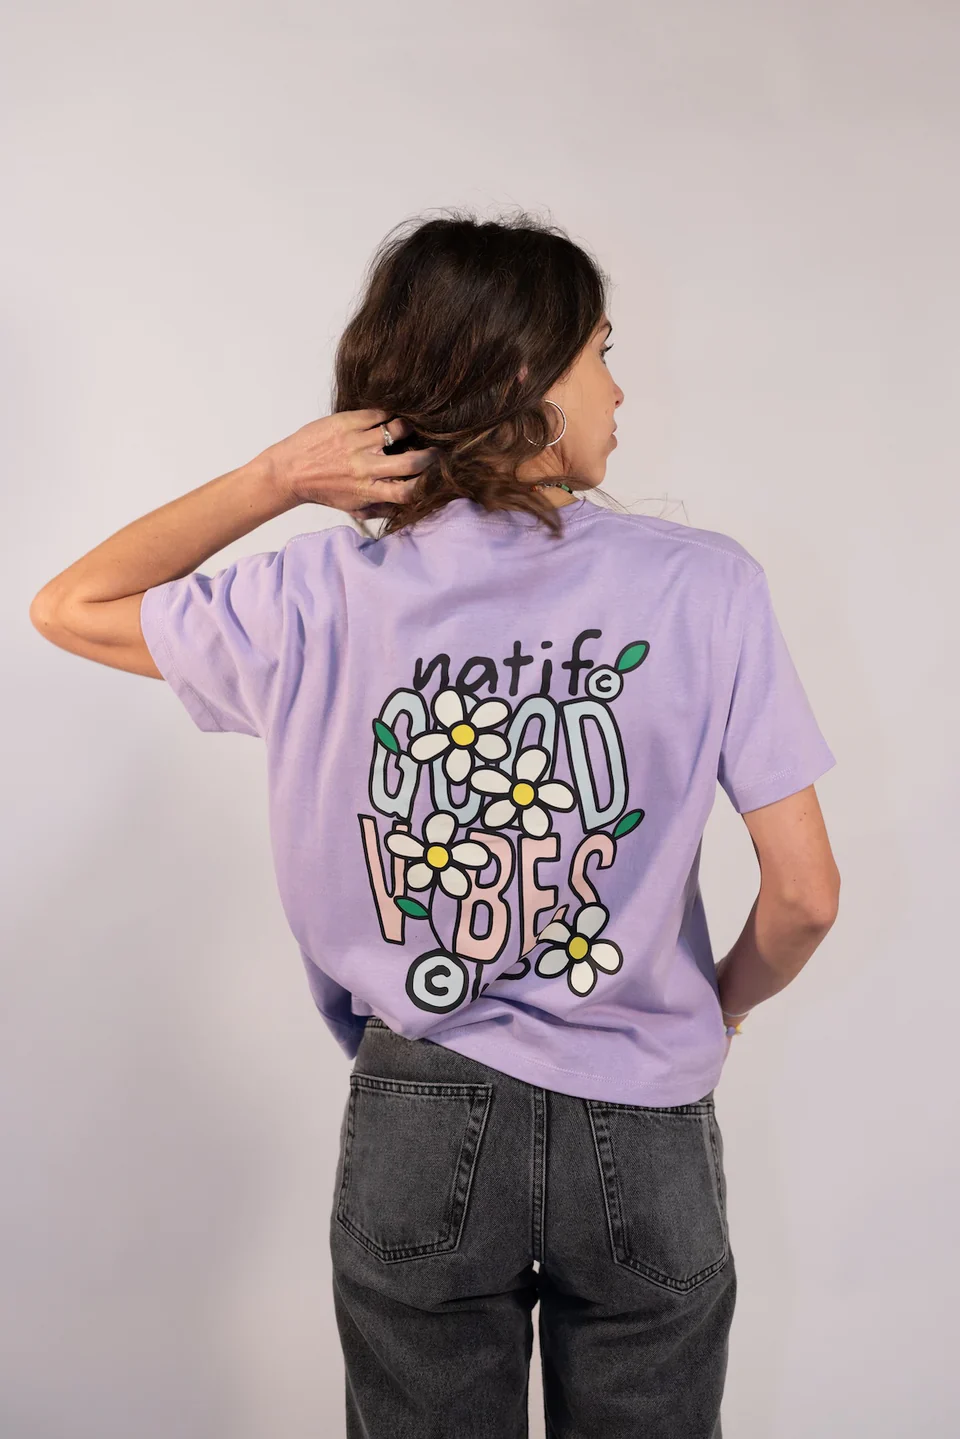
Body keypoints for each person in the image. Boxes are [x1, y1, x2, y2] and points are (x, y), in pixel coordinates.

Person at [30, 209, 840, 1439]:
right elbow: (807, 894)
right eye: (602, 354)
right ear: (525, 377)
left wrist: (273, 479)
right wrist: (712, 1008)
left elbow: (71, 604)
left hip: (423, 1103)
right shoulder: (707, 584)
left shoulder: (316, 596)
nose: (622, 390)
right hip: (648, 1115)